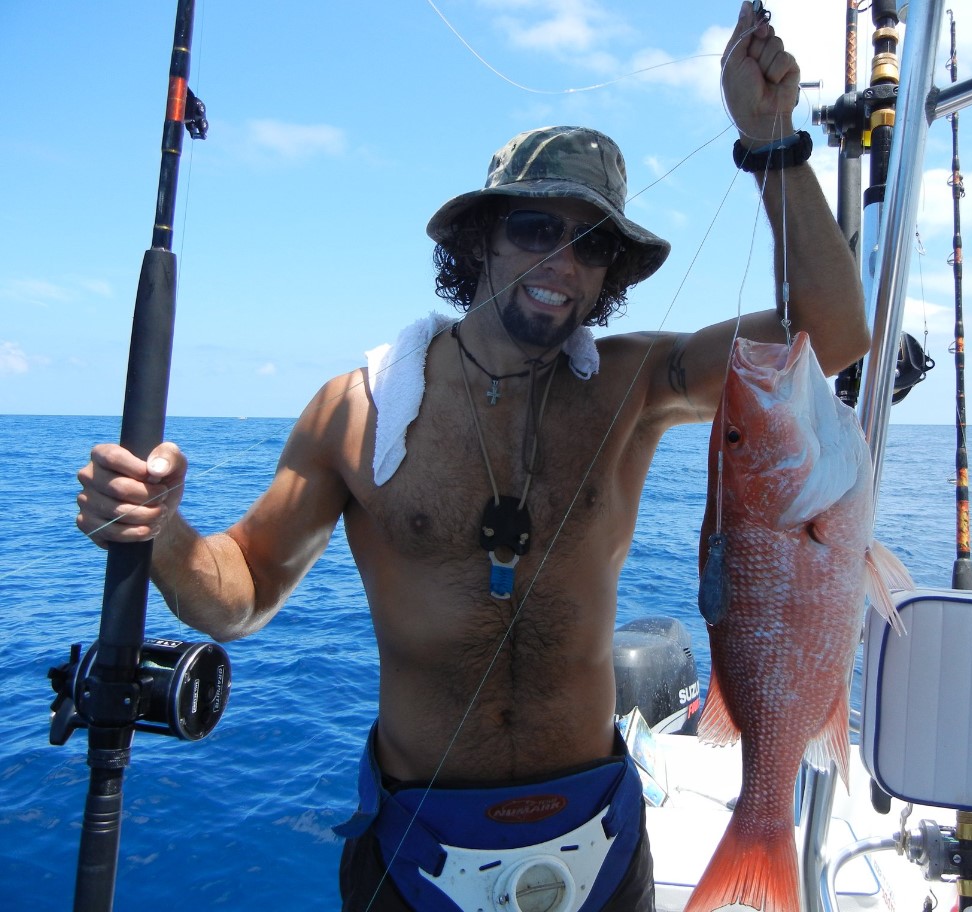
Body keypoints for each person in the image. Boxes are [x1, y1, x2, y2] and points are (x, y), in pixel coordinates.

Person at [76, 4, 869, 910]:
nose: (563, 263)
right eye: (536, 227)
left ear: (613, 273)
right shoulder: (356, 410)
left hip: (599, 833)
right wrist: (161, 529)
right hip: (417, 849)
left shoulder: (635, 383)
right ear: (478, 240)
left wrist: (771, 142)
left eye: (595, 244)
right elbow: (243, 593)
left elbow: (834, 333)